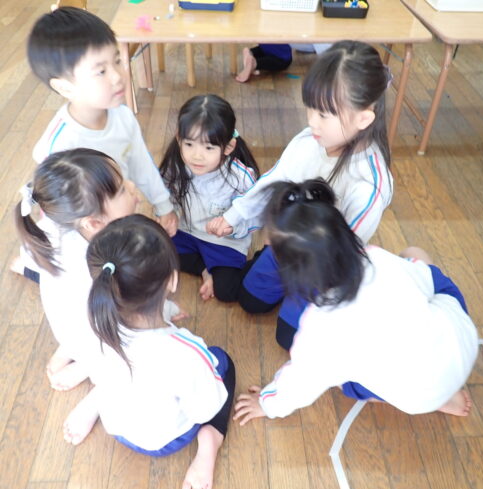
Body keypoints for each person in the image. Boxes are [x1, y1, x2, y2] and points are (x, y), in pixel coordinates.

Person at [233, 180, 479, 428]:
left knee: (340, 378)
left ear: (293, 272)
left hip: (421, 395)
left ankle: (439, 397)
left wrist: (265, 404)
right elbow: (425, 284)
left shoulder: (319, 327)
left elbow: (298, 385)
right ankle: (445, 390)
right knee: (414, 253)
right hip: (462, 340)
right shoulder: (379, 259)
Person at [208, 41, 393, 348]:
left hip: (322, 269)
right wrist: (234, 216)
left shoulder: (368, 185)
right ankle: (267, 258)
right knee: (250, 300)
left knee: (289, 338)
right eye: (311, 107)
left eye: (324, 114)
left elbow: (342, 254)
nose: (311, 121)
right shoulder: (309, 140)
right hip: (288, 248)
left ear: (363, 118)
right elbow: (274, 180)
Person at [63, 215, 235, 489]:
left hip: (115, 424)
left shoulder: (91, 321)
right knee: (223, 360)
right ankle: (210, 443)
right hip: (163, 441)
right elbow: (204, 408)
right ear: (173, 280)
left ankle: (94, 401)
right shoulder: (185, 354)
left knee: (120, 373)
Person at [14, 7, 178, 281]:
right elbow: (58, 212)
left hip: (113, 213)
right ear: (65, 87)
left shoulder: (122, 116)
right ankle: (29, 265)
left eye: (117, 61)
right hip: (78, 231)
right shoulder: (60, 144)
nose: (117, 76)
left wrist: (163, 204)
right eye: (101, 71)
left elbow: (141, 163)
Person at [15, 148, 139, 391]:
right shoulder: (100, 260)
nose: (132, 186)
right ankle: (87, 370)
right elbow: (123, 309)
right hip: (95, 336)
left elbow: (27, 255)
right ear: (94, 222)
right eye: (122, 189)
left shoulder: (53, 224)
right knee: (146, 340)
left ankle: (71, 350)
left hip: (68, 326)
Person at [159, 94, 260, 301]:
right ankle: (204, 268)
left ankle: (215, 267)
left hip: (224, 242)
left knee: (226, 291)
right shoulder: (175, 164)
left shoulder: (241, 178)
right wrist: (169, 213)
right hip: (187, 233)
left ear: (228, 147)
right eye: (189, 144)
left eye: (208, 148)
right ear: (178, 138)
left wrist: (232, 227)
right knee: (155, 251)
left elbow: (255, 217)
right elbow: (165, 194)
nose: (197, 156)